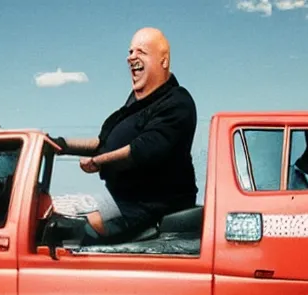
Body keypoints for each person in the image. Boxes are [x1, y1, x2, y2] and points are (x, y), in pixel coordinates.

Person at [51, 27, 198, 245]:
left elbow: (143, 149)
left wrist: (97, 162)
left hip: (148, 206)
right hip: (122, 199)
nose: (131, 57)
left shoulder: (177, 102)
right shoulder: (132, 106)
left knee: (68, 227)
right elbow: (102, 142)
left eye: (141, 52)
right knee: (50, 209)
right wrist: (58, 145)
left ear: (163, 61)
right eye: (130, 51)